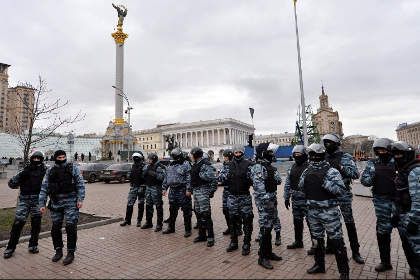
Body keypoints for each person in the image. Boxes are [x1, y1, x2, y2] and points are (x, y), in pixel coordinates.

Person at [298, 143, 349, 279]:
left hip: (329, 212)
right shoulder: (307, 170)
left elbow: (341, 190)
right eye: (311, 155)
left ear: (321, 155)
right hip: (313, 212)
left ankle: (344, 272)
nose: (313, 157)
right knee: (317, 241)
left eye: (316, 155)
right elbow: (301, 187)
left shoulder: (331, 171)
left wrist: (325, 183)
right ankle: (319, 265)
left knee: (337, 241)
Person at [322, 134, 364, 264]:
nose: (326, 145)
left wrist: (341, 167)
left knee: (349, 223)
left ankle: (356, 252)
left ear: (336, 143)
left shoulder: (345, 157)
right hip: (328, 193)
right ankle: (330, 247)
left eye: (329, 142)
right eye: (325, 142)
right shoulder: (323, 157)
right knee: (329, 220)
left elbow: (355, 174)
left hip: (343, 194)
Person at [38, 150, 85, 265]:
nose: (62, 159)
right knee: (55, 228)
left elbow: (80, 183)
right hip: (56, 202)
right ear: (55, 158)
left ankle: (70, 252)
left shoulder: (72, 168)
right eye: (59, 157)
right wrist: (42, 203)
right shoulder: (50, 170)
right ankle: (58, 250)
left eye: (63, 157)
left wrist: (80, 199)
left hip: (71, 202)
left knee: (70, 227)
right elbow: (44, 187)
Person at [360, 138, 396, 272]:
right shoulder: (372, 163)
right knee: (383, 233)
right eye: (378, 150)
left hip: (398, 202)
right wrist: (374, 175)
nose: (381, 152)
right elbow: (365, 181)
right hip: (381, 203)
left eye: (384, 150)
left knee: (407, 233)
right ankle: (385, 262)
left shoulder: (398, 161)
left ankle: (415, 265)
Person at [3, 151, 47, 259]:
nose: (36, 160)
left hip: (37, 201)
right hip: (24, 200)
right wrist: (21, 177)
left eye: (39, 158)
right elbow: (11, 184)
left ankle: (33, 245)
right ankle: (10, 247)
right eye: (34, 158)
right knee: (18, 224)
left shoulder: (45, 171)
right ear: (31, 158)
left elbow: (50, 185)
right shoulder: (24, 170)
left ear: (42, 159)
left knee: (36, 224)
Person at [390, 141, 420, 278]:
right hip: (403, 215)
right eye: (395, 154)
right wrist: (396, 213)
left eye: (400, 154)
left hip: (413, 217)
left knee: (417, 250)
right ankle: (414, 269)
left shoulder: (415, 171)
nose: (397, 157)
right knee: (408, 247)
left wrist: (414, 221)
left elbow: (418, 200)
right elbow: (399, 193)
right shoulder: (402, 170)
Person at [218, 145, 254, 256]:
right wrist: (226, 175)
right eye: (236, 152)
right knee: (232, 220)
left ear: (242, 153)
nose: (238, 154)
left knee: (247, 220)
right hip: (232, 196)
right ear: (233, 153)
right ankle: (234, 242)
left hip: (244, 196)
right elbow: (220, 178)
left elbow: (254, 179)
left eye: (240, 152)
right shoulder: (228, 165)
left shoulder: (249, 164)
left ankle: (246, 244)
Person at [253, 143, 283, 269]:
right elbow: (259, 189)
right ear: (263, 153)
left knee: (269, 226)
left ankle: (268, 253)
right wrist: (268, 201)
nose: (272, 155)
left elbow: (278, 180)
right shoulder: (258, 167)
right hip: (265, 202)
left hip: (271, 200)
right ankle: (262, 257)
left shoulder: (269, 166)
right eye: (269, 152)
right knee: (265, 229)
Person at [284, 145, 313, 252]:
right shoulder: (292, 167)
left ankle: (315, 245)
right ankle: (298, 241)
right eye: (295, 155)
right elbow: (288, 183)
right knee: (297, 221)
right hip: (295, 199)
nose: (297, 156)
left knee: (311, 223)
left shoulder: (310, 167)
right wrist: (286, 197)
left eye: (299, 154)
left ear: (305, 155)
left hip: (307, 200)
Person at [190, 147, 217, 247]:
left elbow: (211, 176)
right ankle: (202, 235)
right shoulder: (195, 164)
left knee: (206, 214)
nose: (190, 156)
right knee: (198, 213)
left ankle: (210, 236)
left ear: (196, 155)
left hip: (203, 190)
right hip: (196, 191)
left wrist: (200, 175)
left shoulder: (205, 164)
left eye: (192, 154)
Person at [162, 148, 192, 237]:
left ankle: (188, 230)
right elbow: (166, 178)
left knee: (186, 211)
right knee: (172, 210)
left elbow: (189, 178)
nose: (174, 158)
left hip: (182, 190)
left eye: (176, 156)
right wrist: (164, 188)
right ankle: (171, 228)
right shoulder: (170, 165)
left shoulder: (186, 164)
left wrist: (188, 189)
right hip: (172, 191)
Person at [120, 152, 146, 227]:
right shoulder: (133, 166)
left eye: (136, 158)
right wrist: (130, 177)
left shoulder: (144, 166)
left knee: (140, 204)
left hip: (142, 187)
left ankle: (139, 221)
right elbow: (129, 175)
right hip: (134, 187)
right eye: (134, 158)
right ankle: (127, 220)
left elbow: (146, 177)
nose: (135, 160)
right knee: (129, 203)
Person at [141, 153, 165, 232]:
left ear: (153, 159)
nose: (148, 160)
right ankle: (148, 222)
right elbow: (143, 175)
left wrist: (153, 173)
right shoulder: (147, 166)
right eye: (148, 159)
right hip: (148, 187)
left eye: (149, 159)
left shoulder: (159, 167)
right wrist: (144, 173)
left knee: (158, 206)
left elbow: (162, 177)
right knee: (148, 205)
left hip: (156, 188)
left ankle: (159, 224)